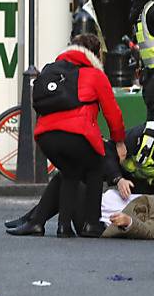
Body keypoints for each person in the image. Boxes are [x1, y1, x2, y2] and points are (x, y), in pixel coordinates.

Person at [8, 33, 126, 238]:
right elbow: (112, 113)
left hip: (46, 138)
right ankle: (91, 223)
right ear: (95, 54)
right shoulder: (95, 75)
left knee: (70, 173)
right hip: (77, 135)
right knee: (96, 166)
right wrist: (119, 140)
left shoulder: (52, 70)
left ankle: (59, 226)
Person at [4, 116, 154, 231]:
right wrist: (118, 178)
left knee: (68, 178)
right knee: (72, 174)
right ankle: (34, 219)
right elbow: (109, 153)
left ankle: (35, 220)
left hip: (131, 202)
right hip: (121, 181)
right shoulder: (143, 136)